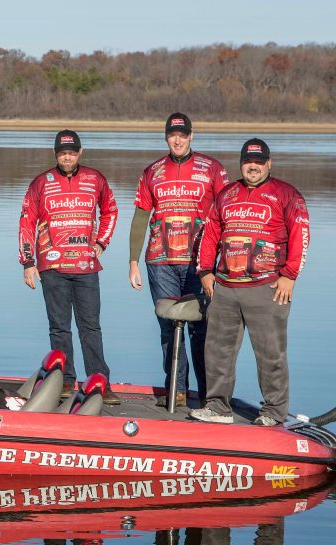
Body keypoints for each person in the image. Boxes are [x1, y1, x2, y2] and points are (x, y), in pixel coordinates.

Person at [191, 138, 311, 426]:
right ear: (241, 163)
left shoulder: (287, 194)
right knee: (217, 351)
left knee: (270, 354)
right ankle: (217, 407)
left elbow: (301, 234)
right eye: (248, 162)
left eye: (258, 162)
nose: (253, 167)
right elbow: (210, 232)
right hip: (226, 286)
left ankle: (273, 412)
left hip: (267, 287)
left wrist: (289, 275)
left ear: (269, 163)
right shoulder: (227, 193)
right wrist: (205, 270)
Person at [128, 114, 229, 407]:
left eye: (183, 135)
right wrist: (133, 261)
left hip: (200, 263)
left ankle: (209, 394)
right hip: (160, 260)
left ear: (191, 136)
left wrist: (221, 261)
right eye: (173, 135)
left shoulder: (212, 169)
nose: (177, 140)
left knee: (202, 328)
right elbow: (140, 218)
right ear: (166, 137)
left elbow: (226, 215)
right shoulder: (152, 171)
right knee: (168, 326)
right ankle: (177, 389)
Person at [19, 130, 119, 402]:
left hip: (86, 267)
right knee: (59, 327)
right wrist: (28, 262)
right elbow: (26, 222)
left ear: (80, 152)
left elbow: (110, 210)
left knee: (91, 327)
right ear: (55, 154)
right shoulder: (41, 182)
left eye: (72, 153)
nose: (67, 157)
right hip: (52, 267)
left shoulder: (95, 179)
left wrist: (102, 242)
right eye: (63, 153)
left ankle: (100, 381)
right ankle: (64, 380)